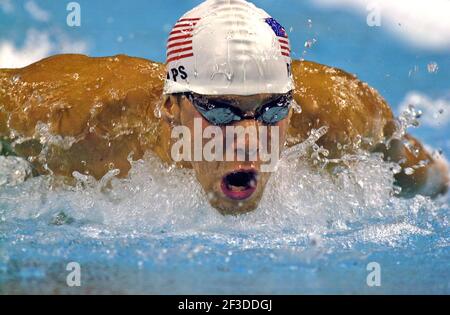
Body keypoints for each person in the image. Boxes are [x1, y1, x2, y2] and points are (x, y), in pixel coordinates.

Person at [0, 0, 448, 214]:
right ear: (170, 108)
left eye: (271, 110)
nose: (250, 143)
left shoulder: (341, 114)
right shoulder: (76, 120)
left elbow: (426, 174)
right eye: (220, 112)